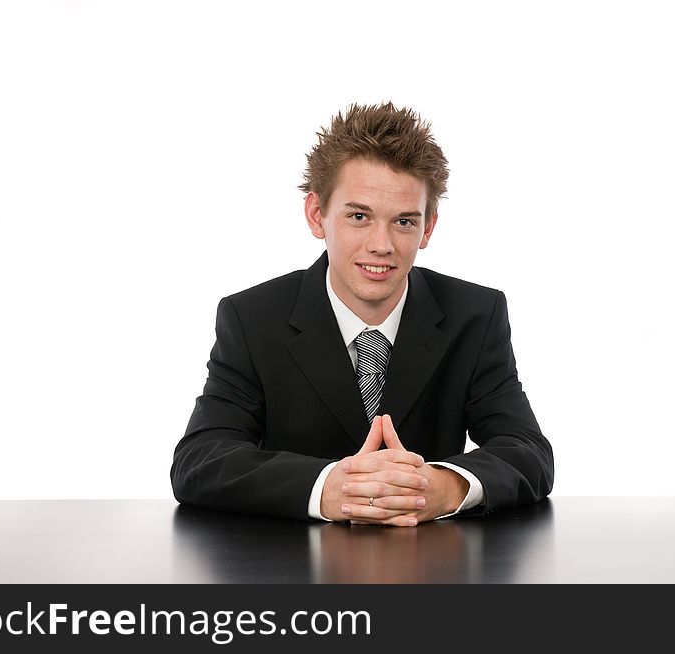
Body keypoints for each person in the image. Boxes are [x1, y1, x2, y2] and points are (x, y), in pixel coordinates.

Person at [171, 102, 553, 526]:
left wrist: (443, 486)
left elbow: (527, 450)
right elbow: (200, 460)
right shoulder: (251, 317)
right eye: (359, 216)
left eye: (405, 222)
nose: (381, 245)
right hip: (290, 573)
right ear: (318, 215)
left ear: (428, 228)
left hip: (431, 571)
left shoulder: (476, 316)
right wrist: (329, 488)